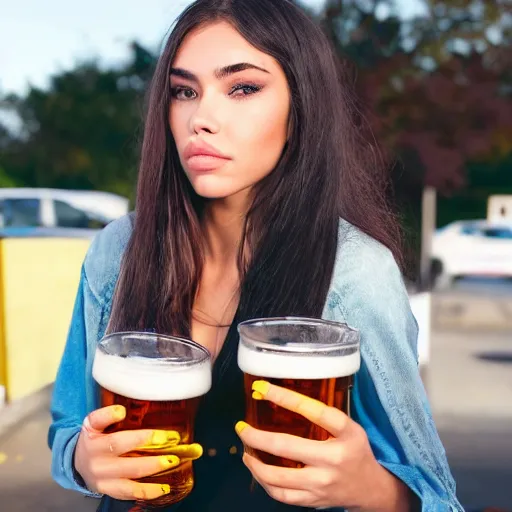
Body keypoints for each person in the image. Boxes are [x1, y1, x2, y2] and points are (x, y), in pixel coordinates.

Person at [48, 0, 464, 511]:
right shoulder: (119, 250)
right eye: (184, 91)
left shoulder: (353, 271)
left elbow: (440, 497)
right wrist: (83, 461)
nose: (202, 117)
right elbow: (68, 427)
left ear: (301, 106)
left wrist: (373, 490)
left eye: (242, 87)